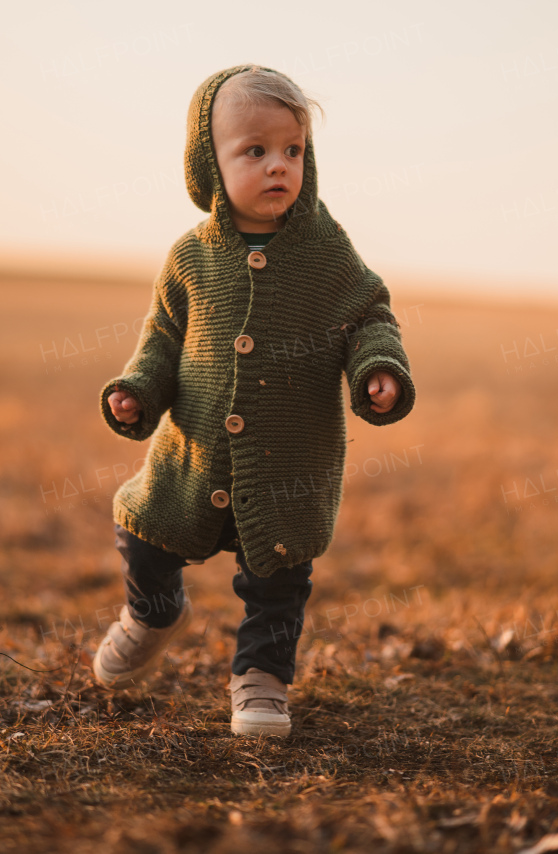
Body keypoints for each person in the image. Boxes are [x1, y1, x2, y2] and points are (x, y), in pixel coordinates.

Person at [91, 64, 416, 737]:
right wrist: (136, 393)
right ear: (210, 163)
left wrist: (377, 368)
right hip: (194, 458)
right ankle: (154, 611)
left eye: (293, 151)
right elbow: (161, 340)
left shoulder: (325, 252)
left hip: (288, 466)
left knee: (279, 582)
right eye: (256, 151)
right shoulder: (190, 258)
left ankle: (262, 678)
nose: (279, 167)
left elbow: (368, 314)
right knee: (141, 533)